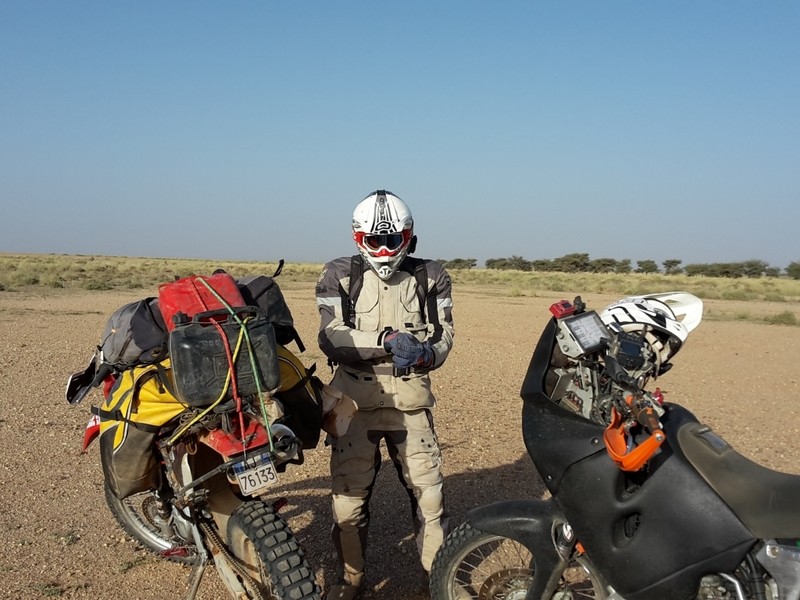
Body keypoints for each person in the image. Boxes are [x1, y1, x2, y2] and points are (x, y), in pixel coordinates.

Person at [315, 190, 455, 599]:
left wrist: (427, 353)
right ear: (358, 238)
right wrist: (386, 340)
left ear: (408, 236)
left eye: (391, 240)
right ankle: (350, 581)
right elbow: (330, 336)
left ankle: (436, 580)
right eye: (374, 241)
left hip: (410, 400)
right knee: (348, 500)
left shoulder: (431, 274)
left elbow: (444, 333)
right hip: (354, 403)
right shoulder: (339, 273)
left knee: (430, 498)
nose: (383, 250)